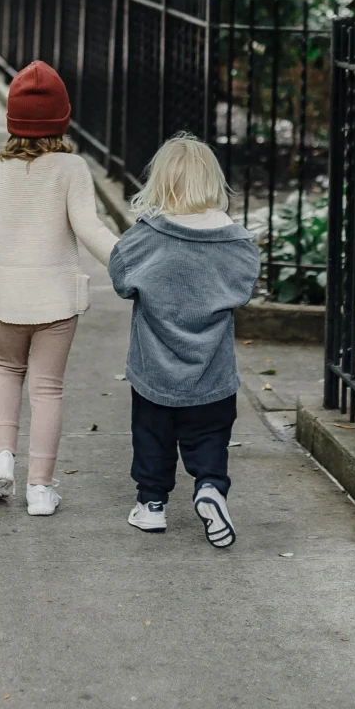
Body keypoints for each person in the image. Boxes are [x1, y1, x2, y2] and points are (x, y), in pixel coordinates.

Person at [0, 61, 117, 516]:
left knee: (6, 370)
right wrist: (134, 263)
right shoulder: (71, 169)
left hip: (9, 299)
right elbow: (91, 229)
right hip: (57, 298)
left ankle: (1, 458)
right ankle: (40, 488)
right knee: (48, 389)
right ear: (63, 117)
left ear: (11, 120)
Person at [108, 134, 260, 548]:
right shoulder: (234, 241)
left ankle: (152, 506)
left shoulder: (148, 235)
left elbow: (121, 277)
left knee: (152, 437)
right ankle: (210, 487)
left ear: (160, 183)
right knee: (211, 436)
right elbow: (244, 288)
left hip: (155, 371)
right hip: (212, 372)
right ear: (213, 182)